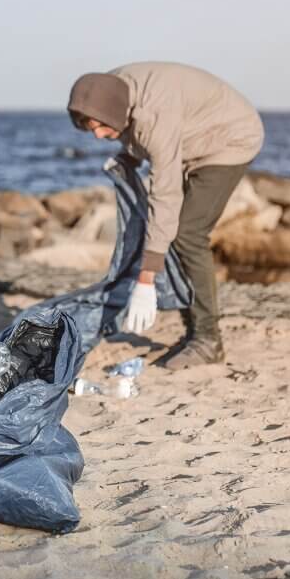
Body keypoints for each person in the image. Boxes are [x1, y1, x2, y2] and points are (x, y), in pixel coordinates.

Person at [68, 62, 264, 369]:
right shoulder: (109, 90)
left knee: (187, 233)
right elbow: (137, 134)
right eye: (91, 129)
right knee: (171, 232)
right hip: (188, 133)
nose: (98, 136)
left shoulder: (154, 117)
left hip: (229, 138)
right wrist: (126, 157)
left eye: (101, 127)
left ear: (114, 112)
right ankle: (193, 333)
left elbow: (165, 193)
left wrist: (146, 280)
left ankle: (207, 340)